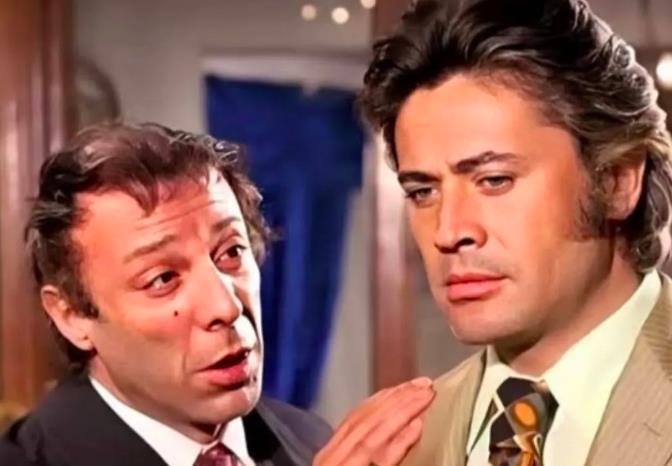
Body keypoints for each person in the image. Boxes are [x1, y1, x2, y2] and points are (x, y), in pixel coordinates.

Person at [357, 0, 672, 464]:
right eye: (423, 191)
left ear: (618, 180)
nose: (448, 231)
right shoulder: (399, 444)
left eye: (494, 180)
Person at [0, 122, 332, 466]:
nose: (226, 306)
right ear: (71, 316)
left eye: (231, 252)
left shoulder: (316, 444)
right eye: (163, 279)